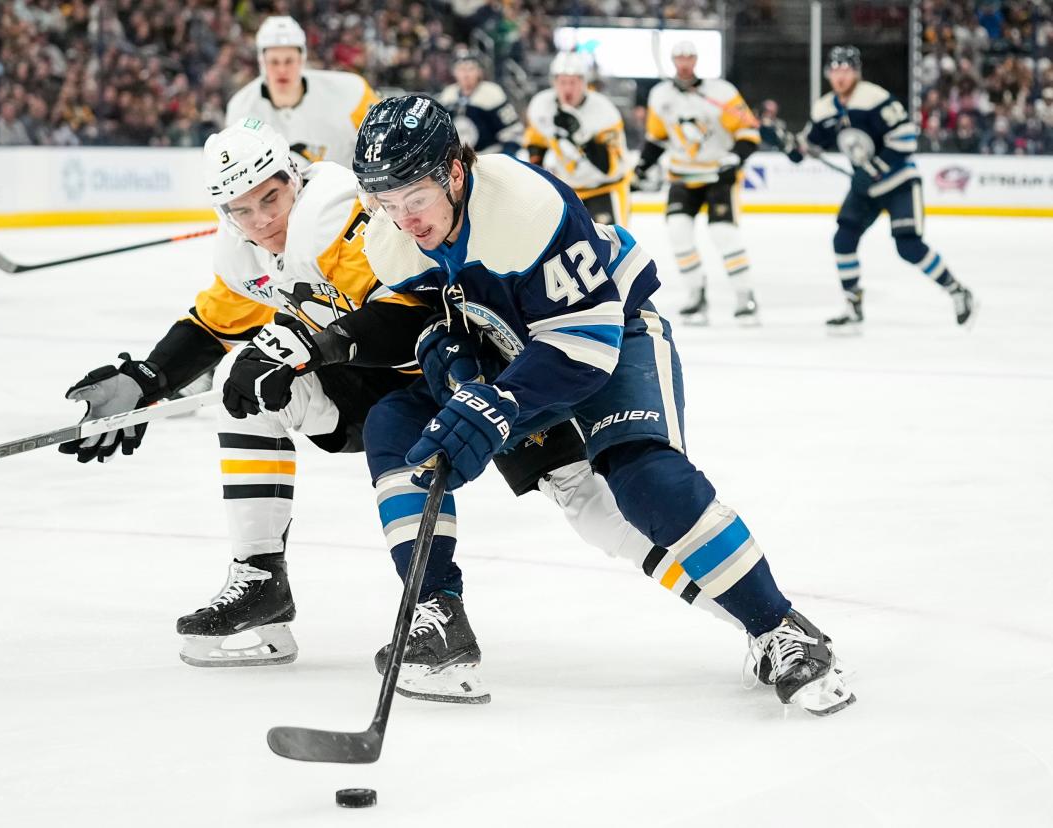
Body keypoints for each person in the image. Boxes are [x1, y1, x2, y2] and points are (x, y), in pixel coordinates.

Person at [58, 119, 672, 680]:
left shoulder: (342, 219)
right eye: (242, 211)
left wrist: (304, 339)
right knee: (240, 394)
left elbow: (411, 313)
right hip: (377, 399)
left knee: (592, 507)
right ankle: (264, 580)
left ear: (294, 175)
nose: (263, 221)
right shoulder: (248, 253)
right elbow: (214, 323)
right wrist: (145, 378)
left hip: (459, 379)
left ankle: (747, 607)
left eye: (271, 198)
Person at [353, 94, 856, 716]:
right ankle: (437, 613)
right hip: (516, 347)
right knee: (395, 423)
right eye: (386, 203)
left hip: (610, 329)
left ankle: (780, 627)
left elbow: (586, 344)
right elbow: (438, 310)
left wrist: (497, 405)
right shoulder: (391, 239)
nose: (403, 219)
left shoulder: (525, 206)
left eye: (415, 199)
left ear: (455, 173)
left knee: (643, 478)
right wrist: (446, 354)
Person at [762, 46, 974, 329]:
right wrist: (782, 141)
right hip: (867, 187)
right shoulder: (824, 107)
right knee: (843, 240)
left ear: (856, 73)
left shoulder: (875, 99)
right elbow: (806, 148)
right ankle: (853, 305)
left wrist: (873, 169)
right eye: (835, 70)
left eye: (846, 70)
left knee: (908, 246)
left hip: (899, 181)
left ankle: (957, 291)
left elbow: (906, 139)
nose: (840, 76)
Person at [636, 41, 762, 325]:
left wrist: (736, 157)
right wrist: (643, 165)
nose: (684, 63)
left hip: (717, 174)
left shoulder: (721, 92)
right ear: (672, 60)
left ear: (696, 59)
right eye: (679, 57)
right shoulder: (660, 95)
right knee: (678, 232)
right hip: (682, 174)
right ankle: (696, 294)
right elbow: (656, 138)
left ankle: (745, 296)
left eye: (689, 57)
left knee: (723, 233)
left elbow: (749, 130)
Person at [224, 16, 379, 166]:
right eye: (274, 61)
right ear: (262, 62)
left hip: (349, 190)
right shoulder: (241, 109)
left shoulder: (351, 91)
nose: (282, 69)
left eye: (289, 61)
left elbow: (387, 135)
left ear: (301, 59)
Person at [524, 51, 632, 225]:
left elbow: (610, 167)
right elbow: (536, 141)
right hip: (566, 193)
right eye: (562, 82)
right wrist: (537, 176)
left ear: (584, 83)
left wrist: (580, 136)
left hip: (605, 190)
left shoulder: (604, 111)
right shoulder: (542, 105)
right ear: (554, 82)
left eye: (573, 82)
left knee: (611, 250)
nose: (568, 88)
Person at [437, 50, 522, 156]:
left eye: (471, 69)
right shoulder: (448, 95)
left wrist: (507, 155)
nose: (466, 74)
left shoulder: (492, 92)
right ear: (454, 72)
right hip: (457, 158)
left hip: (489, 155)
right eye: (461, 69)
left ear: (479, 71)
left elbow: (512, 130)